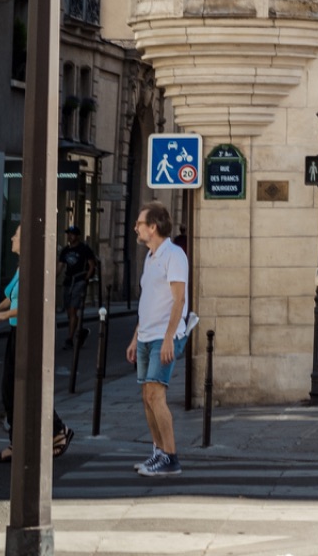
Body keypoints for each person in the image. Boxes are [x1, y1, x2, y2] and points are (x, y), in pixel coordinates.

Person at [0, 226, 73, 460]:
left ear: (26, 241)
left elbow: (30, 303)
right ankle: (17, 443)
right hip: (16, 333)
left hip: (29, 333)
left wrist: (1, 316)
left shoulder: (34, 267)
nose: (12, 238)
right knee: (10, 390)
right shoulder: (22, 266)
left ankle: (57, 430)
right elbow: (12, 296)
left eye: (16, 235)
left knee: (28, 385)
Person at [126, 202, 189, 478]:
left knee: (156, 394)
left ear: (153, 227)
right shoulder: (150, 258)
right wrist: (134, 337)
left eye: (140, 223)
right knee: (146, 396)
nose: (136, 228)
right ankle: (158, 452)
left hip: (165, 336)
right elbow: (149, 302)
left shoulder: (173, 255)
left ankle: (170, 456)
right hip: (146, 335)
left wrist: (168, 339)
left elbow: (179, 300)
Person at [58, 226, 97, 350]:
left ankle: (69, 339)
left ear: (77, 236)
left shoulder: (84, 249)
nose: (70, 236)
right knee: (69, 312)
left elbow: (92, 265)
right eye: (68, 234)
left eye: (72, 234)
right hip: (68, 281)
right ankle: (81, 331)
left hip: (79, 280)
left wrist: (86, 278)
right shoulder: (65, 251)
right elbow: (60, 266)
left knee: (73, 309)